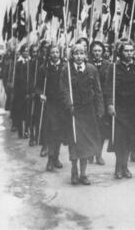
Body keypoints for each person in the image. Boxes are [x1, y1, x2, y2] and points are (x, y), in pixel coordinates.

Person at [60, 44, 104, 185]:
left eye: (81, 53)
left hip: (88, 111)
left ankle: (83, 174)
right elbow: (64, 89)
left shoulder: (91, 69)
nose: (79, 56)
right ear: (72, 55)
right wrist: (69, 104)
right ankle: (74, 171)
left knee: (86, 143)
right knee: (74, 142)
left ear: (85, 55)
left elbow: (97, 90)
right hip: (73, 111)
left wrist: (100, 108)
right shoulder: (66, 70)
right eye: (76, 53)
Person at [105, 41, 135, 179]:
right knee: (119, 139)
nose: (129, 53)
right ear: (121, 52)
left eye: (131, 50)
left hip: (132, 109)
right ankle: (118, 166)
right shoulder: (113, 67)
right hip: (118, 108)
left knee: (129, 139)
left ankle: (125, 166)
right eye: (126, 50)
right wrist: (110, 104)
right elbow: (108, 88)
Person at [35, 44, 65, 172]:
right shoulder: (44, 68)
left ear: (60, 53)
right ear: (49, 54)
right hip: (50, 104)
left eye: (57, 52)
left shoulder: (65, 67)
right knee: (52, 130)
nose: (55, 55)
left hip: (62, 104)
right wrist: (40, 94)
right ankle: (50, 159)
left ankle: (56, 157)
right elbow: (37, 86)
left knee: (59, 132)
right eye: (52, 52)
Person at [89, 41, 111, 165]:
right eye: (95, 51)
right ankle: (90, 153)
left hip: (103, 100)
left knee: (102, 129)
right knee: (91, 128)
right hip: (90, 100)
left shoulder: (108, 65)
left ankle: (99, 154)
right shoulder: (87, 64)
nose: (97, 53)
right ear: (91, 51)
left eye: (99, 51)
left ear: (103, 52)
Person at [11, 44, 30, 138]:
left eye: (27, 51)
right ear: (22, 52)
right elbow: (17, 78)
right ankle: (20, 131)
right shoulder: (18, 63)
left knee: (28, 112)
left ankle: (27, 130)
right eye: (24, 51)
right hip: (20, 91)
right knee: (19, 111)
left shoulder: (31, 62)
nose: (26, 53)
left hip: (28, 90)